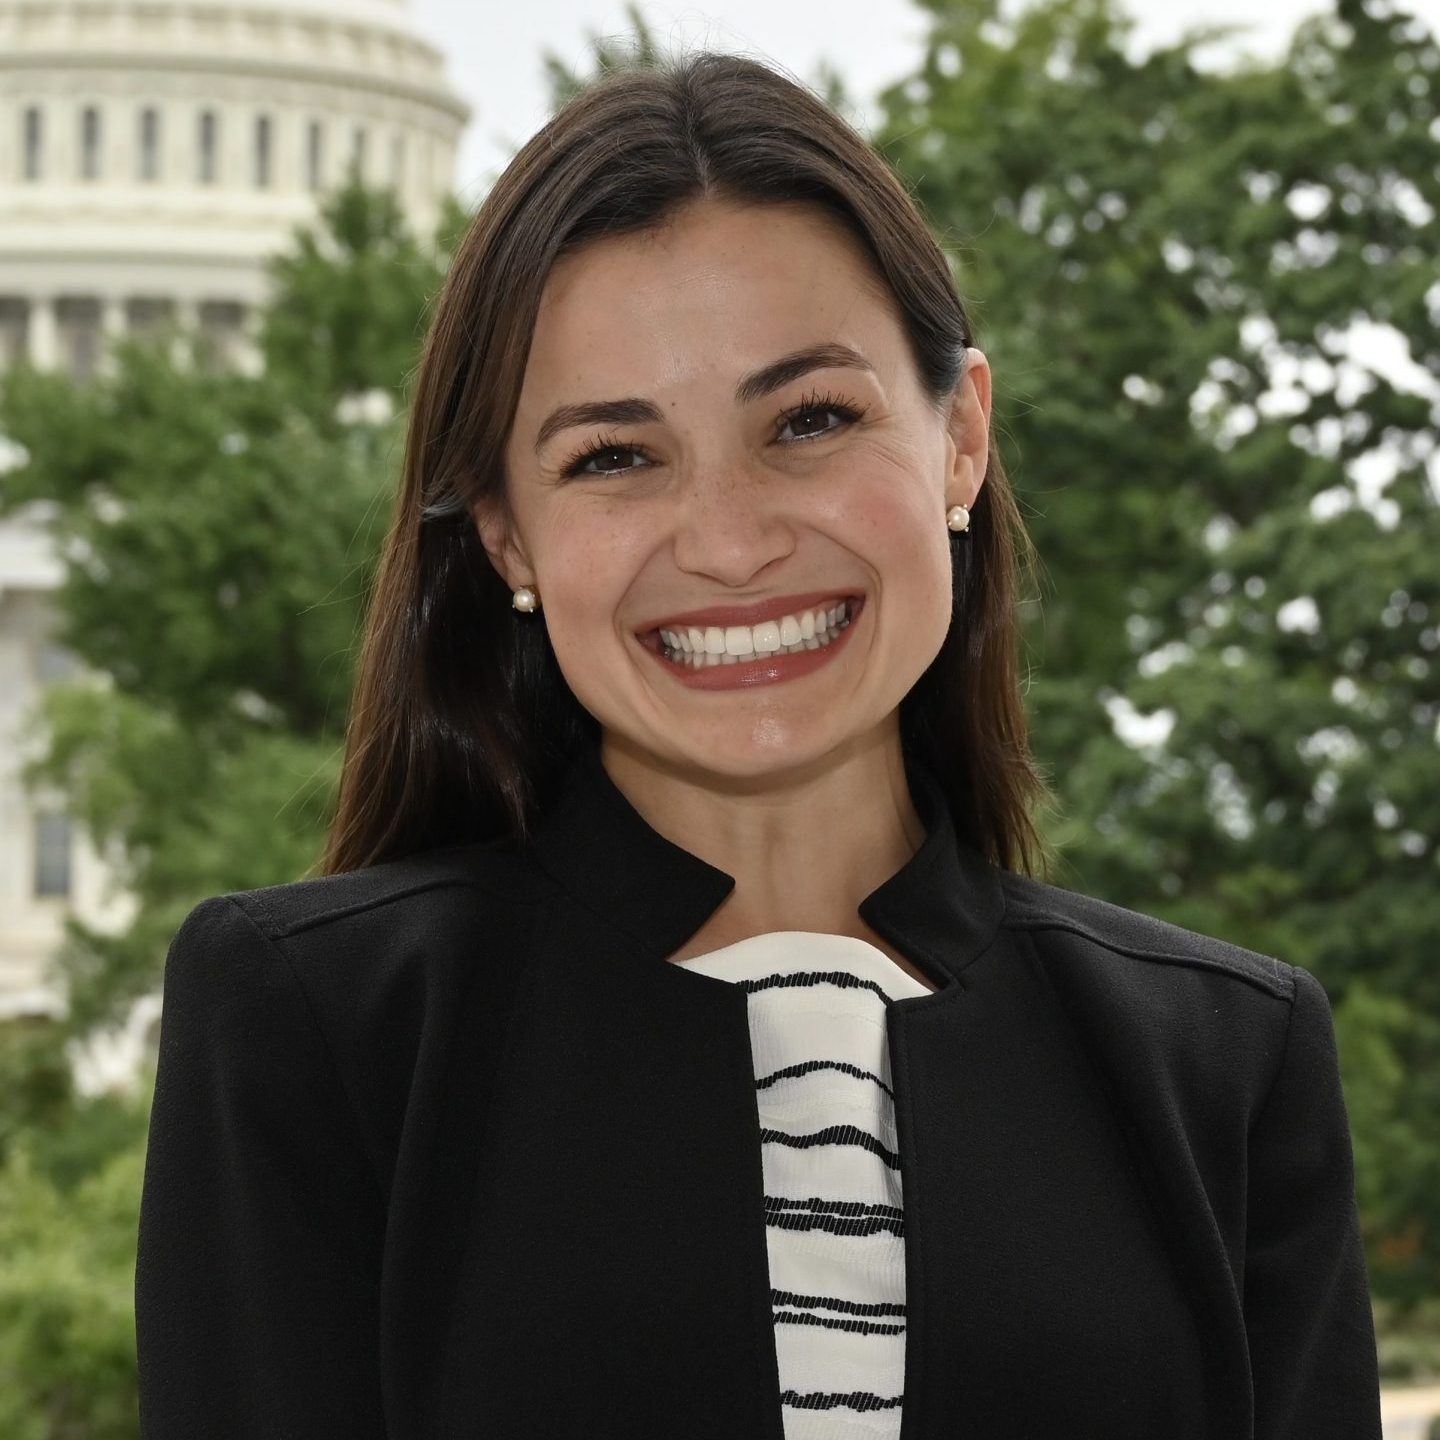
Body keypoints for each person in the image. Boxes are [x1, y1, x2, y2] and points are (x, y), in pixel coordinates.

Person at [133, 51, 1383, 1440]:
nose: (730, 543)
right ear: (504, 533)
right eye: (614, 455)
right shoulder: (320, 1031)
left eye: (810, 421)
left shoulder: (1225, 1062)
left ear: (961, 436)